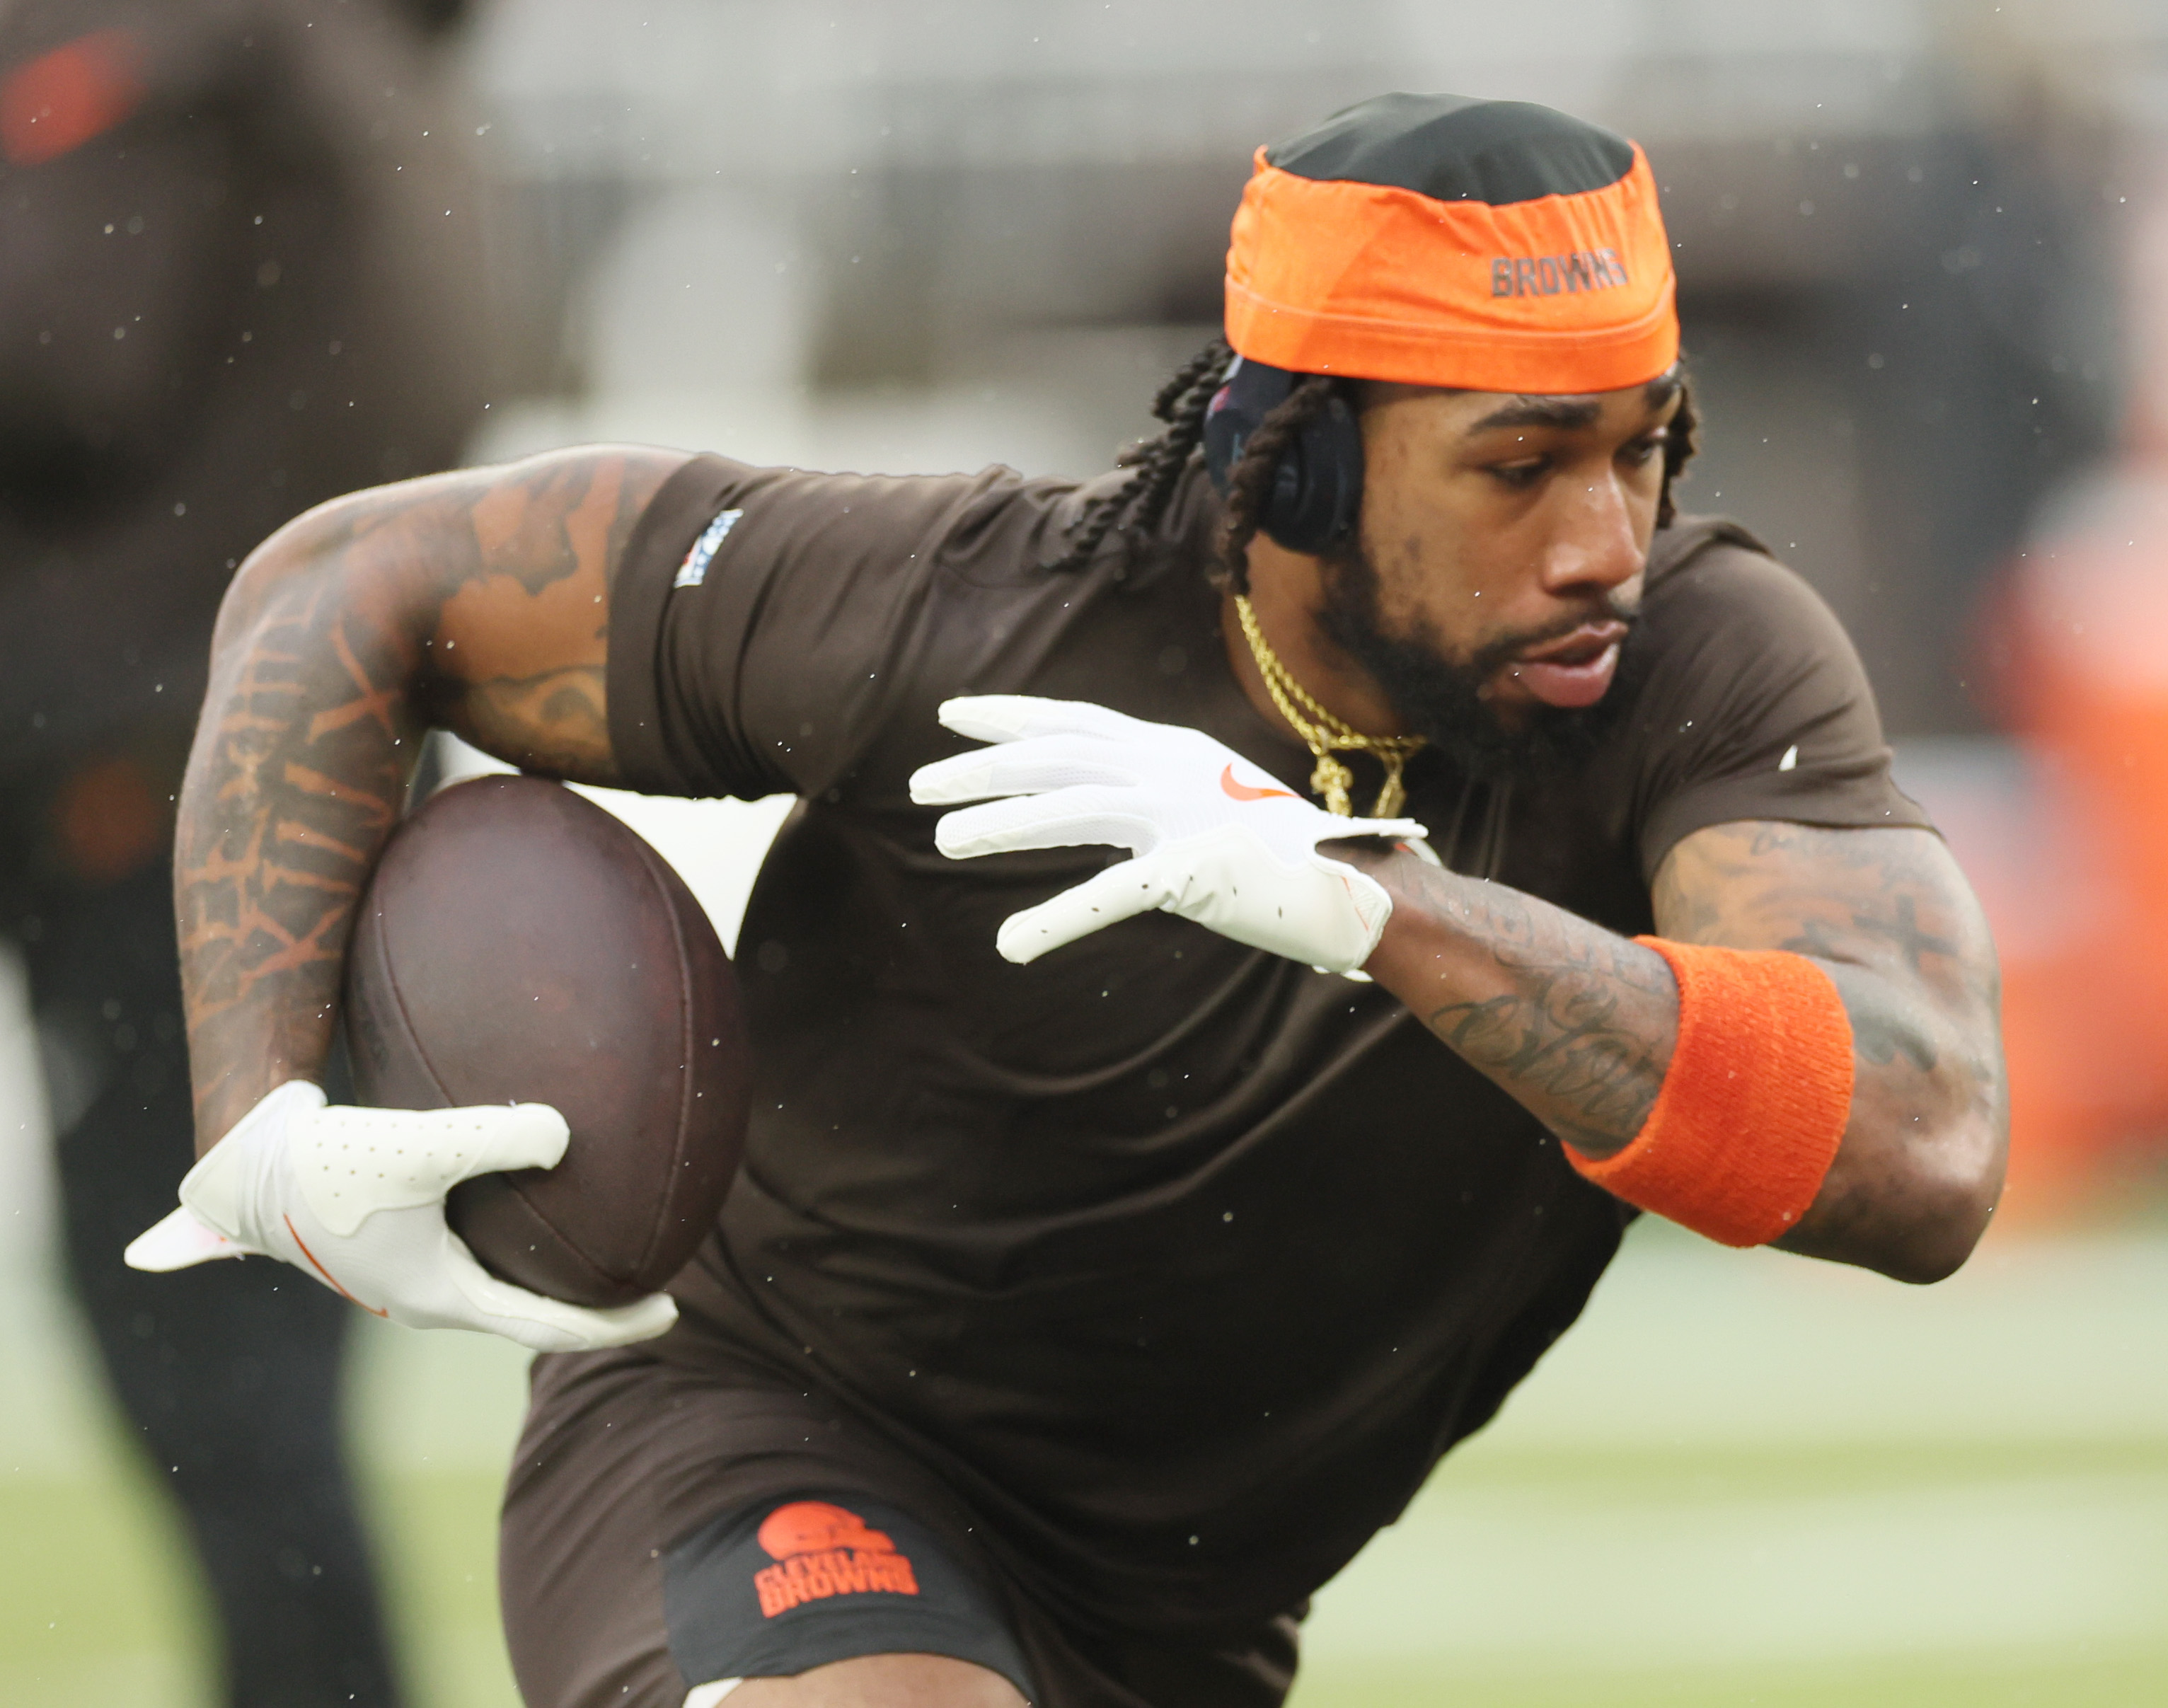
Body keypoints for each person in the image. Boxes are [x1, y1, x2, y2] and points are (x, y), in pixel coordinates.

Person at [129, 95, 2008, 1708]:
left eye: (1643, 445)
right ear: (1302, 456)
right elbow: (342, 587)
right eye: (1518, 464)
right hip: (777, 1431)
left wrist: (1378, 905)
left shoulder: (1704, 661)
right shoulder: (945, 609)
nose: (1607, 540)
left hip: (1189, 1611)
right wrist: (258, 1115)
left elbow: (1920, 1148)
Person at [0, 1, 487, 1702]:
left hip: (151, 774)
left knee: (208, 1355)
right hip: (288, 749)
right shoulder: (361, 67)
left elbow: (60, 347)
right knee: (241, 1337)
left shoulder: (189, 51)